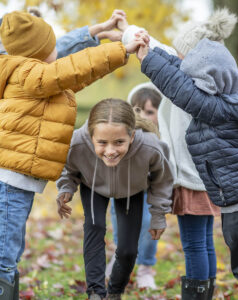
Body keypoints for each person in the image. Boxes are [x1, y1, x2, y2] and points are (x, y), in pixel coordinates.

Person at [0, 9, 145, 299]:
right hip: (7, 184)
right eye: (50, 45)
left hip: (12, 183)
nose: (57, 49)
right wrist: (121, 49)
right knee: (3, 257)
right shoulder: (29, 76)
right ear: (36, 52)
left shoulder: (36, 78)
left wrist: (111, 46)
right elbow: (67, 69)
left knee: (10, 252)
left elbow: (79, 73)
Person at [137, 7, 238, 300]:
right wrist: (150, 51)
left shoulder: (216, 109)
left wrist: (147, 59)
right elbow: (181, 76)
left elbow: (182, 90)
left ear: (207, 78)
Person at [117, 12, 224, 298]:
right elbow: (161, 48)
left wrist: (130, 32)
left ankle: (197, 294)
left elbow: (157, 50)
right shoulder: (216, 81)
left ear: (192, 56)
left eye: (180, 53)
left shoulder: (184, 86)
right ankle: (207, 292)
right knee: (205, 241)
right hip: (210, 177)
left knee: (194, 244)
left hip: (190, 178)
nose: (174, 56)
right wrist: (129, 29)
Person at [56, 98, 174, 300]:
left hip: (132, 190)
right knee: (94, 228)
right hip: (93, 185)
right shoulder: (76, 143)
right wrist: (66, 188)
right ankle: (95, 292)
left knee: (128, 250)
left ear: (132, 135)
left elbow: (162, 180)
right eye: (102, 143)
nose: (110, 151)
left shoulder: (150, 147)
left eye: (119, 142)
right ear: (91, 136)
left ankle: (114, 292)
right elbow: (69, 169)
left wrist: (158, 215)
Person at [107, 85, 162, 289]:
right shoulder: (124, 134)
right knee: (120, 226)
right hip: (122, 190)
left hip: (149, 191)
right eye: (137, 110)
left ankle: (145, 268)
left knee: (148, 225)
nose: (144, 116)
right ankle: (119, 258)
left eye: (150, 112)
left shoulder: (161, 137)